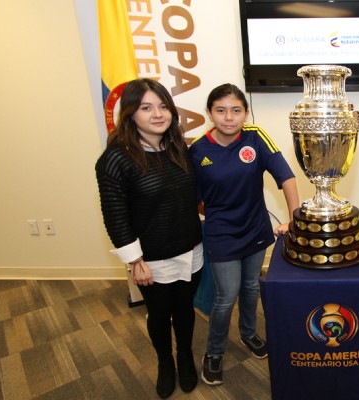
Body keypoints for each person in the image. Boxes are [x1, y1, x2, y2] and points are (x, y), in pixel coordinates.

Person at [95, 78, 204, 398]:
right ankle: (165, 362)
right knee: (159, 314)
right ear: (130, 114)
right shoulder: (115, 159)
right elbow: (115, 214)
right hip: (151, 258)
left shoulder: (177, 147)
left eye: (162, 106)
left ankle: (184, 357)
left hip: (189, 247)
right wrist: (135, 261)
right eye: (146, 107)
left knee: (185, 309)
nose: (158, 114)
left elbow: (189, 196)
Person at [189, 83, 300, 386]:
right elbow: (192, 198)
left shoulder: (255, 137)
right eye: (221, 110)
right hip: (221, 233)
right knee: (226, 297)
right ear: (210, 113)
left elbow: (286, 177)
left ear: (245, 113)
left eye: (236, 110)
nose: (229, 117)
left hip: (254, 228)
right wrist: (217, 211)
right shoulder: (197, 150)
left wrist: (294, 219)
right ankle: (214, 352)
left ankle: (249, 333)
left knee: (252, 286)